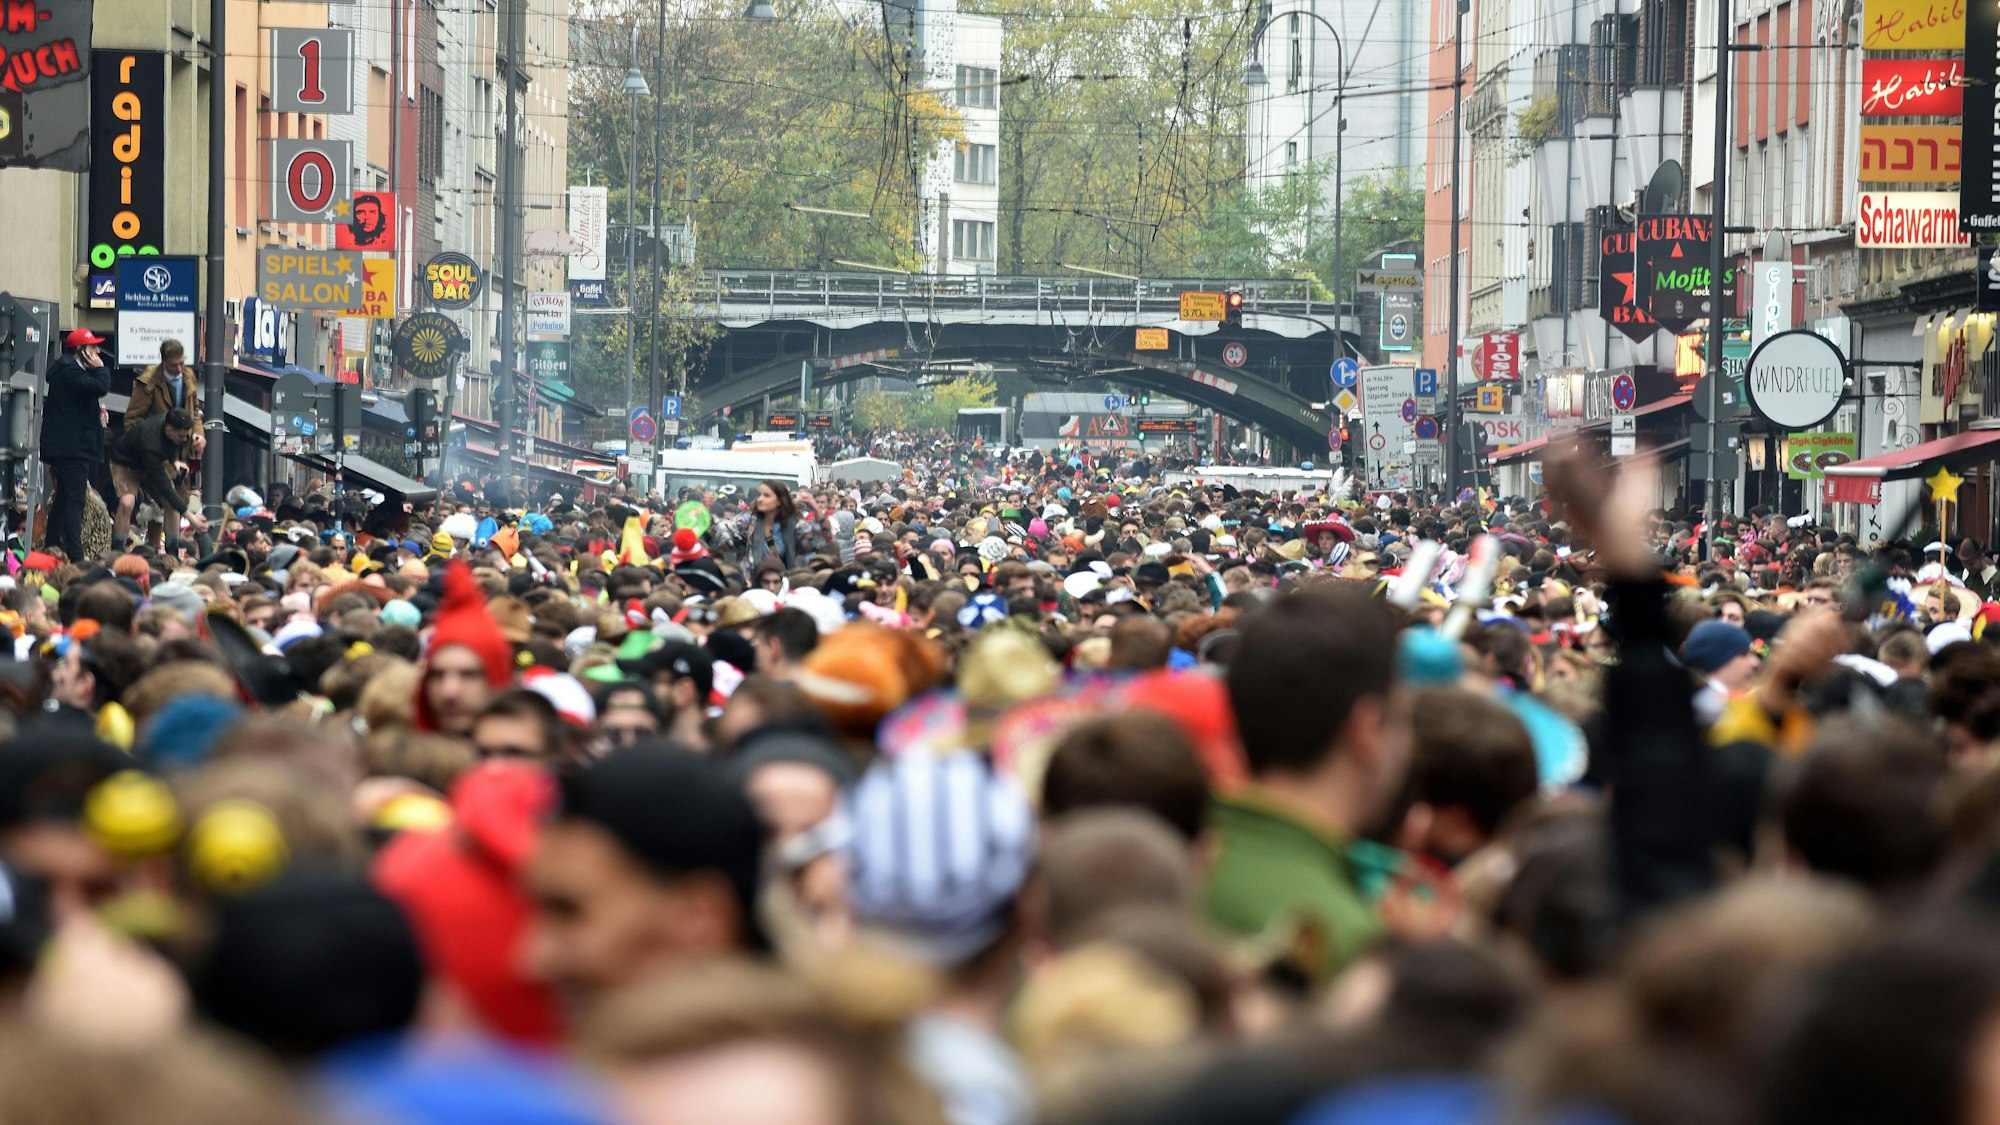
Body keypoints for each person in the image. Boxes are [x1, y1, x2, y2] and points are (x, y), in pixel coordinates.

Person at [123, 339, 205, 547]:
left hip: (180, 451)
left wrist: (198, 434)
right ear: (163, 362)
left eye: (181, 363)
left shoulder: (188, 378)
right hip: (153, 450)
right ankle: (145, 548)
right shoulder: (149, 382)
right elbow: (132, 421)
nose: (179, 369)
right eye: (173, 365)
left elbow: (194, 413)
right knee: (162, 498)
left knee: (174, 499)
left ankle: (170, 551)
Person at [40, 328, 111, 562]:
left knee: (63, 500)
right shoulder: (70, 371)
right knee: (76, 500)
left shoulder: (68, 371)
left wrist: (95, 408)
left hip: (70, 447)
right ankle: (77, 556)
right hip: (72, 449)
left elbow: (79, 399)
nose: (97, 351)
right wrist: (100, 367)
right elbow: (99, 386)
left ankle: (51, 546)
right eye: (93, 348)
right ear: (81, 351)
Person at [108, 408, 208, 550]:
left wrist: (174, 461)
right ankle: (117, 550)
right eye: (182, 436)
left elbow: (173, 444)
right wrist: (192, 518)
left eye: (187, 435)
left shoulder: (173, 429)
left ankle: (172, 551)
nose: (185, 439)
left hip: (152, 462)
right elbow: (164, 487)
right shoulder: (150, 444)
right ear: (168, 431)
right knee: (127, 502)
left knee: (171, 504)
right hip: (126, 463)